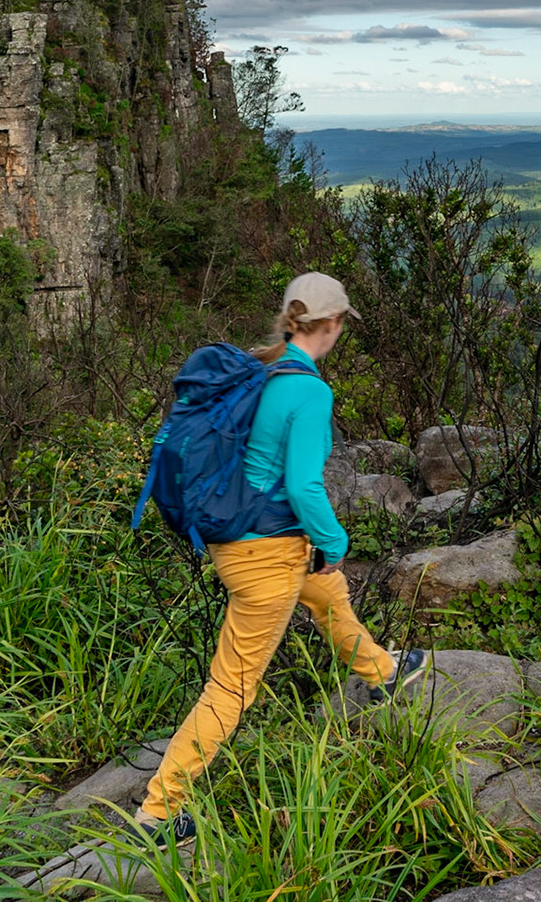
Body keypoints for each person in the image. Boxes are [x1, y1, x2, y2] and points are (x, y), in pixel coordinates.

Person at [135, 272, 428, 845]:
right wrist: (337, 542)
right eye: (342, 322)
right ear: (333, 323)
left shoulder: (263, 368)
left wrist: (318, 552)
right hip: (266, 552)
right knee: (232, 687)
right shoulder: (310, 390)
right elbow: (303, 484)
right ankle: (159, 809)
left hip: (248, 541)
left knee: (324, 589)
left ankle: (382, 671)